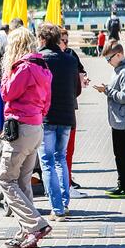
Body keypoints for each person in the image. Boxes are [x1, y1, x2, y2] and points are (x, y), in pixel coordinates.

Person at [0, 27, 53, 248]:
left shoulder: (23, 68)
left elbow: (6, 93)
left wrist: (6, 73)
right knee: (23, 180)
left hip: (20, 127)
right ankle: (27, 233)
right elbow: (47, 102)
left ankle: (36, 224)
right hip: (36, 125)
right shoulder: (43, 68)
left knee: (5, 179)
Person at [36, 24, 80, 221]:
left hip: (46, 116)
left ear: (43, 39)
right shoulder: (70, 60)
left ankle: (57, 208)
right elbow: (77, 89)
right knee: (61, 158)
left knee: (47, 161)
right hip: (67, 115)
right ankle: (64, 202)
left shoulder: (39, 59)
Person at [93, 40, 125, 198]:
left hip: (122, 119)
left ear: (119, 55)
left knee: (123, 154)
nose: (107, 62)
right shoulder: (118, 69)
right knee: (119, 153)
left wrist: (107, 90)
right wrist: (107, 90)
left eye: (109, 58)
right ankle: (122, 183)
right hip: (117, 118)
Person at [60, 29, 88, 198]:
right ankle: (64, 187)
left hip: (70, 106)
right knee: (58, 153)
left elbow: (81, 72)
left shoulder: (71, 55)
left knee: (67, 151)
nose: (66, 43)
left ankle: (67, 183)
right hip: (58, 110)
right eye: (63, 40)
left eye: (67, 39)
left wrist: (82, 78)